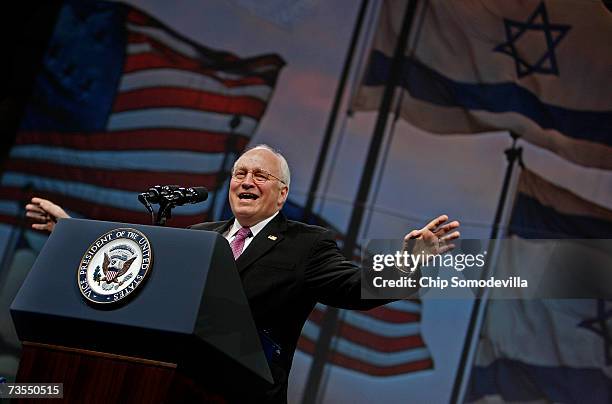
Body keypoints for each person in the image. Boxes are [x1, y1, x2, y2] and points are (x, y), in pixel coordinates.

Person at [26, 144, 460, 403]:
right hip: (171, 387)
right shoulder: (201, 234)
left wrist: (411, 261)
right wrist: (72, 234)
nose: (246, 180)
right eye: (239, 173)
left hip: (242, 395)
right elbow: (143, 276)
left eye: (259, 175)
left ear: (282, 193)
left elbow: (355, 288)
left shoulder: (307, 243)